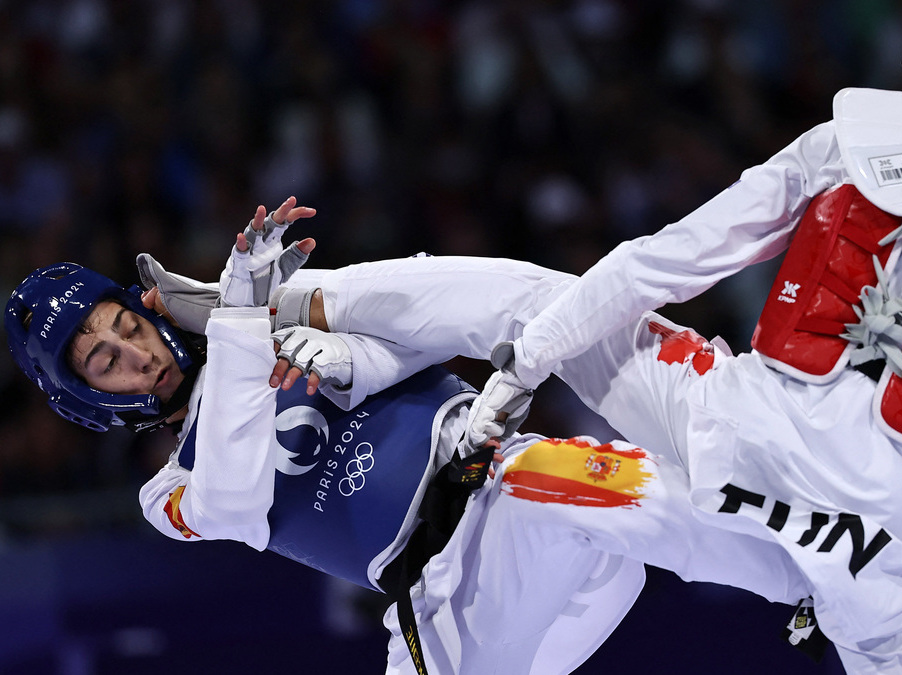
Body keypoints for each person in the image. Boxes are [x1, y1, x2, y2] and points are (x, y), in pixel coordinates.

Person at [461, 1, 902, 672]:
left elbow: (671, 255)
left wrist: (527, 361)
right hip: (885, 526)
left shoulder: (846, 137)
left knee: (533, 302)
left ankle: (349, 313)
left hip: (740, 431)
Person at [5, 199, 810, 674]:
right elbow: (236, 492)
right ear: (90, 398)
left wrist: (353, 357)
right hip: (453, 609)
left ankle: (812, 573)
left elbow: (445, 328)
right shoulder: (167, 493)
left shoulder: (279, 319)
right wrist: (243, 319)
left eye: (122, 324)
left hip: (522, 498)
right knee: (558, 486)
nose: (132, 351)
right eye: (104, 360)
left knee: (575, 477)